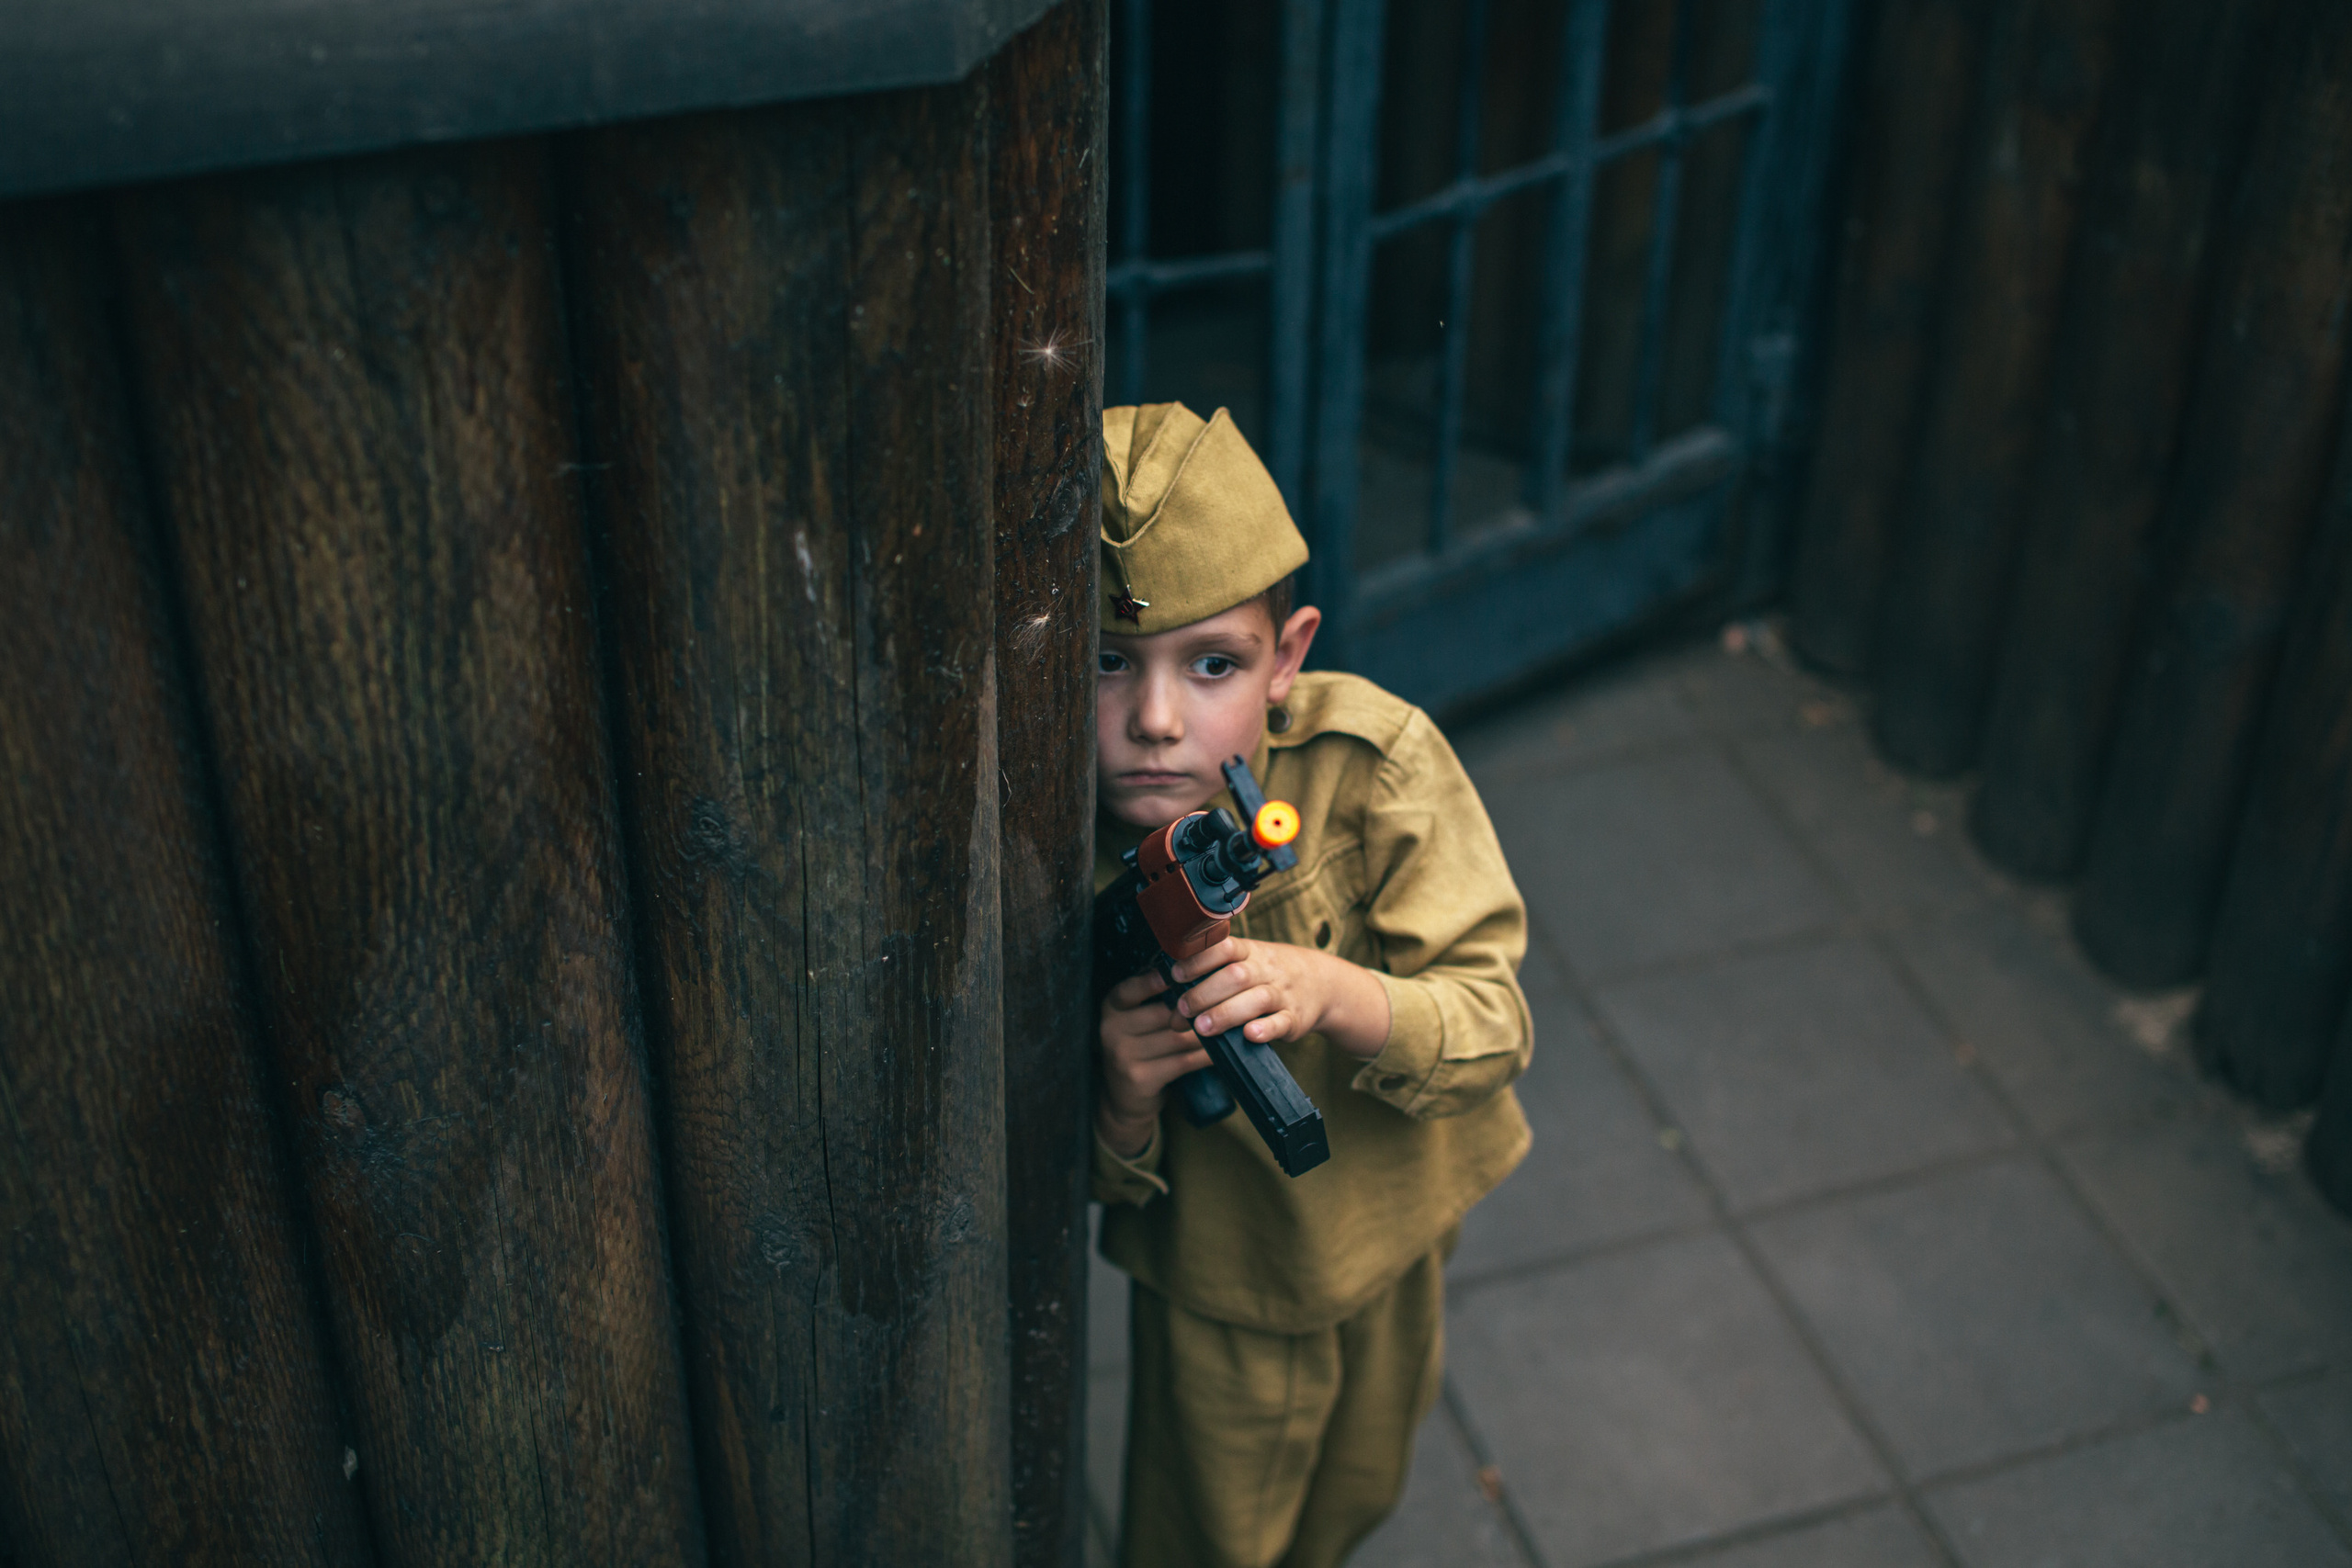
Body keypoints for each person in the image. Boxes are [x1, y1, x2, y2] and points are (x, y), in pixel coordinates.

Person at [1092, 401, 1533, 1568]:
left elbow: (1493, 1028)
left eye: (1212, 664)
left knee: (1350, 1502)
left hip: (1391, 1245)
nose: (1151, 720)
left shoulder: (1372, 768)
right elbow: (1040, 1177)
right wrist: (1123, 1098)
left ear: (1287, 660)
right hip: (1222, 1289)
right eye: (1106, 663)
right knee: (1201, 1542)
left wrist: (1333, 993)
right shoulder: (1044, 853)